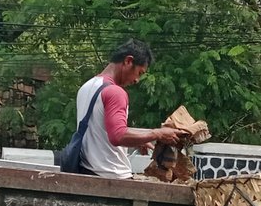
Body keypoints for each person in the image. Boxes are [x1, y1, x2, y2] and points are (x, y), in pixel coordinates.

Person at [73, 39, 183, 179]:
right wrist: (158, 134)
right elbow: (118, 135)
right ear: (128, 61)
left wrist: (139, 139)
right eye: (139, 73)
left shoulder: (87, 86)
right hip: (111, 176)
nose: (137, 80)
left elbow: (102, 130)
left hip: (87, 172)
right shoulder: (115, 92)